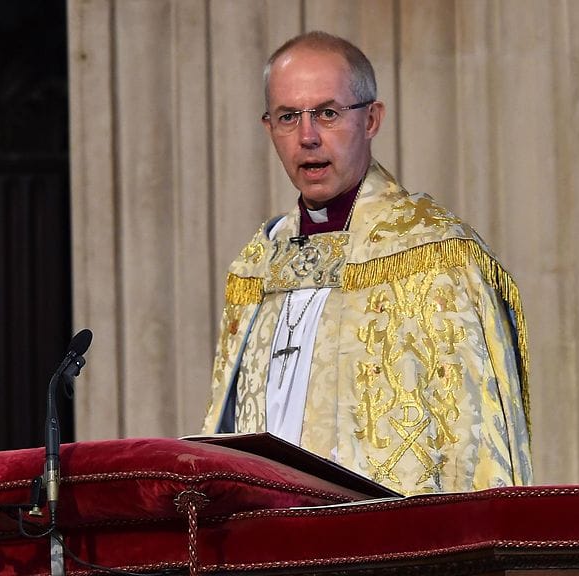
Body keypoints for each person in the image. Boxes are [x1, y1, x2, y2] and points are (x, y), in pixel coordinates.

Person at [202, 31, 532, 494]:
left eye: (328, 113)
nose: (308, 136)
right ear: (268, 128)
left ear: (371, 119)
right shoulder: (258, 266)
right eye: (288, 117)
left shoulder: (434, 254)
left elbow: (475, 448)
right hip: (267, 543)